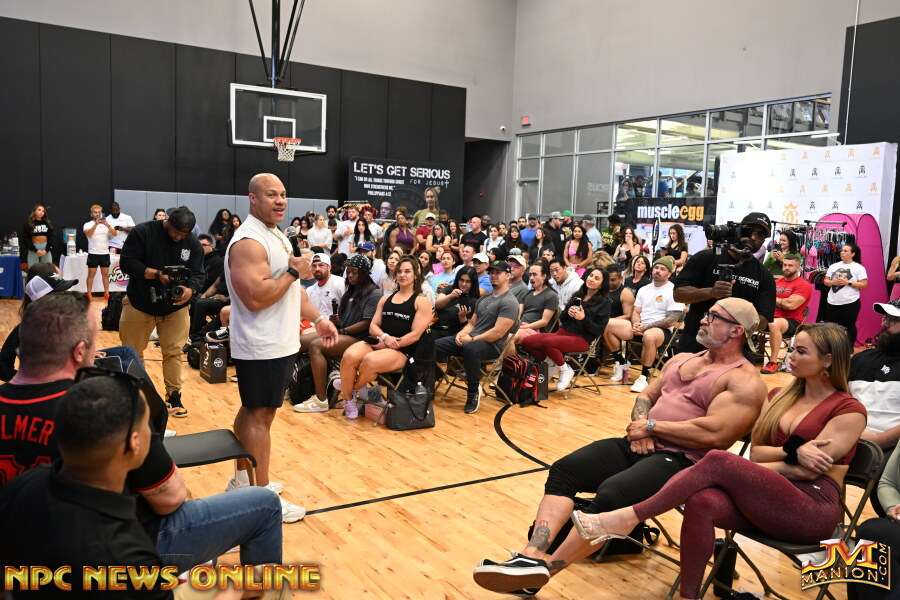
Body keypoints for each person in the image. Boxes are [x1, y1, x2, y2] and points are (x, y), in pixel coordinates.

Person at [473, 298, 767, 597]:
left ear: (736, 331)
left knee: (613, 493)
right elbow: (645, 397)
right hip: (640, 442)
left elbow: (715, 434)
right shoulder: (683, 358)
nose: (703, 320)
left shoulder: (744, 381)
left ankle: (544, 572)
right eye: (706, 314)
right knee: (565, 470)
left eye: (713, 317)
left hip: (684, 460)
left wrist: (652, 427)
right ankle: (530, 556)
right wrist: (641, 428)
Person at [571, 322, 865, 600]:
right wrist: (793, 452)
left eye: (801, 351)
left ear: (827, 361)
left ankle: (627, 517)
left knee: (719, 460)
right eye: (792, 349)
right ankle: (688, 595)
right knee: (703, 500)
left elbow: (810, 471)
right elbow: (758, 454)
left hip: (811, 510)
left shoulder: (849, 410)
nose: (791, 356)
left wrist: (753, 469)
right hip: (765, 497)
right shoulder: (778, 396)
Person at [0, 369, 283, 599]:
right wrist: (235, 589)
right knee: (266, 576)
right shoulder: (129, 557)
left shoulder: (22, 486)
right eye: (149, 429)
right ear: (135, 445)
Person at [224, 174, 337, 522]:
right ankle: (260, 499)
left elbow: (292, 292)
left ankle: (243, 481)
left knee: (253, 412)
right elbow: (256, 297)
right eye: (271, 194)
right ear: (252, 199)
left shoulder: (275, 235)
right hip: (262, 344)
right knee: (260, 417)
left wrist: (319, 318)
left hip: (278, 342)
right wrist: (291, 271)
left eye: (283, 194)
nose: (280, 201)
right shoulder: (248, 242)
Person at [119, 206, 204, 418]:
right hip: (139, 302)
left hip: (175, 306)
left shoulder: (192, 242)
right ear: (167, 221)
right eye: (175, 232)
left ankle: (174, 395)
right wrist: (157, 274)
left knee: (174, 352)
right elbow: (127, 263)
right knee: (132, 353)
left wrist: (190, 290)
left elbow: (198, 274)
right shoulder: (143, 232)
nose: (178, 237)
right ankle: (139, 397)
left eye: (183, 235)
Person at [338, 256, 432, 418]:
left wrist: (390, 343)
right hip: (380, 341)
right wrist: (385, 337)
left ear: (415, 275)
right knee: (349, 356)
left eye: (407, 271)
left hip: (402, 350)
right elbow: (373, 327)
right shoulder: (385, 298)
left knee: (369, 361)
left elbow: (415, 335)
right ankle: (349, 400)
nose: (402, 275)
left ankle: (350, 388)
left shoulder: (421, 301)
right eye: (399, 272)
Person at [674, 212, 776, 354]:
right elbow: (678, 294)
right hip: (694, 343)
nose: (753, 237)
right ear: (737, 230)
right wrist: (711, 292)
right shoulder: (705, 258)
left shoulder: (764, 276)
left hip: (735, 351)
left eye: (760, 235)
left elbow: (764, 319)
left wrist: (733, 324)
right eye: (749, 230)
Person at [293, 254, 382, 413]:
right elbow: (346, 320)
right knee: (299, 342)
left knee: (315, 346)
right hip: (344, 333)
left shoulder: (374, 293)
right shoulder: (351, 291)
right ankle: (293, 386)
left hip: (359, 339)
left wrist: (341, 330)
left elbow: (367, 324)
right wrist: (338, 322)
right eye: (349, 272)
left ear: (363, 273)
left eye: (354, 272)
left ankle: (321, 399)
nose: (350, 276)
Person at [435, 260, 519, 414]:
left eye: (498, 273)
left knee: (470, 348)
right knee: (434, 345)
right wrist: (461, 334)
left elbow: (497, 333)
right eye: (491, 272)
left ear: (508, 275)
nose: (493, 275)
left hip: (492, 345)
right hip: (472, 340)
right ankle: (425, 384)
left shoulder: (509, 301)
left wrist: (472, 339)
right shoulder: (484, 299)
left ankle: (473, 390)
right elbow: (472, 324)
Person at [522, 267, 610, 391]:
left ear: (601, 284)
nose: (591, 279)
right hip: (562, 332)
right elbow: (562, 318)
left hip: (582, 339)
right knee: (527, 342)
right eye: (591, 275)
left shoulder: (604, 303)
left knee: (548, 343)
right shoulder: (579, 294)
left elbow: (599, 330)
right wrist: (568, 312)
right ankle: (552, 362)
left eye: (596, 278)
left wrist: (583, 318)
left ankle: (565, 369)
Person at [605, 256, 685, 392]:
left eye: (662, 269)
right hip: (641, 326)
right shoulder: (644, 289)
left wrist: (647, 327)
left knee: (648, 335)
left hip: (661, 330)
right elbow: (636, 311)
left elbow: (672, 320)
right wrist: (636, 324)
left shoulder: (674, 291)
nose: (658, 271)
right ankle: (621, 363)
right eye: (656, 267)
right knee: (607, 323)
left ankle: (644, 377)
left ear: (669, 274)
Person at [849, 300, 900, 472]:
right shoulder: (861, 359)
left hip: (892, 447)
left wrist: (879, 440)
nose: (884, 323)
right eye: (885, 317)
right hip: (848, 436)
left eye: (893, 319)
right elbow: (837, 400)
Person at [760, 253, 813, 374]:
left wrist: (771, 299)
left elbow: (790, 305)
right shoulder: (776, 282)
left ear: (798, 268)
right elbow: (762, 299)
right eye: (785, 265)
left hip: (791, 321)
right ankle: (747, 354)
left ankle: (773, 362)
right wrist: (780, 301)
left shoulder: (803, 285)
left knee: (774, 323)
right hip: (770, 317)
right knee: (746, 318)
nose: (786, 268)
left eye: (790, 265)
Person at [824, 243, 868, 346]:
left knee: (849, 326)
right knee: (831, 326)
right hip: (833, 301)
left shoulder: (859, 268)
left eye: (845, 251)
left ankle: (849, 348)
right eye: (842, 250)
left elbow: (864, 284)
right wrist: (832, 282)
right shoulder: (834, 266)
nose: (842, 252)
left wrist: (848, 282)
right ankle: (832, 347)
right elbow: (826, 281)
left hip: (850, 302)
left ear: (853, 254)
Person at [512, 260, 559, 343]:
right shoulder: (527, 293)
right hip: (521, 326)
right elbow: (518, 315)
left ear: (544, 276)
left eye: (534, 274)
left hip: (536, 331)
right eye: (530, 274)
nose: (531, 278)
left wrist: (522, 328)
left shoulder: (551, 295)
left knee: (508, 337)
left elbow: (544, 322)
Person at [434, 266, 479, 340]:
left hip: (453, 334)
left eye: (468, 281)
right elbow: (437, 305)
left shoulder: (473, 301)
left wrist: (462, 317)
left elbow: (468, 330)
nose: (464, 284)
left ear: (472, 283)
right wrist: (450, 296)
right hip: (436, 328)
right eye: (461, 280)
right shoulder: (449, 289)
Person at [83, 204, 113, 299]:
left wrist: (108, 225)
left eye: (99, 212)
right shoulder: (87, 224)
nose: (97, 214)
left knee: (105, 275)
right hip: (93, 253)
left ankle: (107, 293)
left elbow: (115, 234)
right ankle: (89, 293)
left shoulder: (106, 224)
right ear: (91, 214)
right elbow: (88, 234)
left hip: (105, 253)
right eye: (95, 212)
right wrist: (96, 224)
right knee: (91, 274)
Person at [306, 252, 346, 317]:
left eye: (321, 265)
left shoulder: (340, 283)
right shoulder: (309, 290)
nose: (317, 269)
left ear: (329, 267)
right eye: (314, 266)